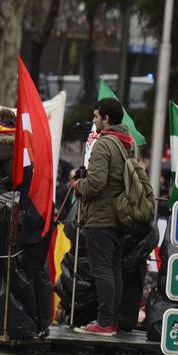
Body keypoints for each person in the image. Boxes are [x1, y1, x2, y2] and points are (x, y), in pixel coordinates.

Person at [69, 96, 135, 336]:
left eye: (96, 116)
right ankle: (111, 320)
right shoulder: (128, 142)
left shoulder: (104, 144)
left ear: (106, 119)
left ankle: (104, 323)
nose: (94, 120)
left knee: (102, 270)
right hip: (121, 215)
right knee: (114, 268)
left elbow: (96, 183)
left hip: (102, 216)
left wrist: (78, 185)